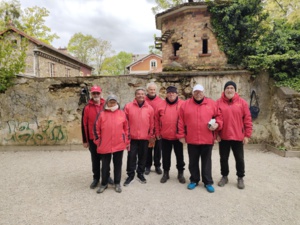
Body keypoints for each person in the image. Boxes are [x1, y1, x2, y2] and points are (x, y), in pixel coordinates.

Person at [177, 84, 223, 193]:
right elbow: (180, 121)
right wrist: (181, 135)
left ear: (204, 92)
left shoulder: (212, 104)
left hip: (207, 138)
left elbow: (219, 117)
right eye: (196, 92)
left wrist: (218, 124)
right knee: (193, 161)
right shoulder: (185, 105)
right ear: (193, 93)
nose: (198, 94)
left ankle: (207, 182)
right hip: (192, 138)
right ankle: (194, 180)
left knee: (206, 161)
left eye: (200, 92)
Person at [216, 81, 252, 189]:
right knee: (223, 158)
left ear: (235, 90)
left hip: (237, 136)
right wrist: (216, 134)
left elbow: (248, 120)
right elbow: (215, 119)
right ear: (224, 90)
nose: (229, 90)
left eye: (232, 88)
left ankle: (240, 177)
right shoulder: (218, 103)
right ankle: (224, 176)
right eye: (227, 88)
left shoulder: (242, 103)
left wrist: (247, 135)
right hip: (224, 136)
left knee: (239, 158)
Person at [94, 95, 129, 194]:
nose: (112, 103)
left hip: (119, 144)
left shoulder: (122, 113)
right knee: (105, 165)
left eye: (114, 102)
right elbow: (96, 129)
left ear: (117, 103)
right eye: (110, 102)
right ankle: (104, 183)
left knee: (118, 165)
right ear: (107, 103)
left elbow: (126, 128)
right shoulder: (101, 114)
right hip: (105, 144)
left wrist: (126, 141)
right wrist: (98, 141)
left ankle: (117, 183)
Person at [81, 85, 113, 189]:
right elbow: (84, 124)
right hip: (92, 138)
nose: (96, 95)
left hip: (105, 138)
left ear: (101, 93)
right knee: (95, 159)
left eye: (97, 93)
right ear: (91, 94)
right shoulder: (86, 108)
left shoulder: (107, 104)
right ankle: (96, 178)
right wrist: (85, 140)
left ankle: (107, 176)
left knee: (106, 159)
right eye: (94, 93)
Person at [123, 87, 155, 186]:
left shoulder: (149, 108)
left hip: (144, 138)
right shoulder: (128, 107)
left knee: (143, 157)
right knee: (131, 157)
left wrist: (151, 136)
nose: (140, 95)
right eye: (138, 94)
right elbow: (125, 122)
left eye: (142, 94)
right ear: (135, 95)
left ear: (145, 96)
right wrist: (126, 135)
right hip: (132, 138)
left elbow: (152, 123)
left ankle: (140, 173)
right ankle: (130, 175)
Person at [155, 86, 186, 184]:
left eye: (173, 93)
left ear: (177, 94)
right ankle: (166, 173)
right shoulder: (160, 105)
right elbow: (156, 120)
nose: (171, 94)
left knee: (180, 156)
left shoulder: (183, 104)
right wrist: (157, 132)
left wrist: (185, 134)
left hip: (178, 136)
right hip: (165, 136)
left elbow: (187, 120)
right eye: (169, 93)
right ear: (166, 94)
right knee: (165, 156)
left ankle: (180, 173)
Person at [144, 82, 164, 175]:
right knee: (148, 148)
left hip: (158, 128)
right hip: (146, 128)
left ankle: (157, 165)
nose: (152, 91)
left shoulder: (161, 101)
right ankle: (147, 165)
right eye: (150, 89)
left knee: (158, 148)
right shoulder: (143, 100)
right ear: (147, 90)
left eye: (154, 89)